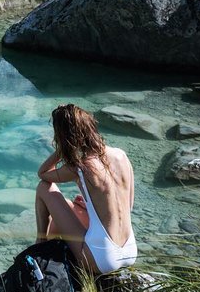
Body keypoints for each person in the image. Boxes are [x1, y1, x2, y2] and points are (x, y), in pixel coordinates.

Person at [34, 103, 137, 275]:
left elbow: (43, 174)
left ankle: (40, 243)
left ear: (65, 137)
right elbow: (128, 207)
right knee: (73, 205)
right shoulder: (121, 155)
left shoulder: (81, 167)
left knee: (44, 188)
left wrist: (63, 148)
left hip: (102, 258)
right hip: (130, 250)